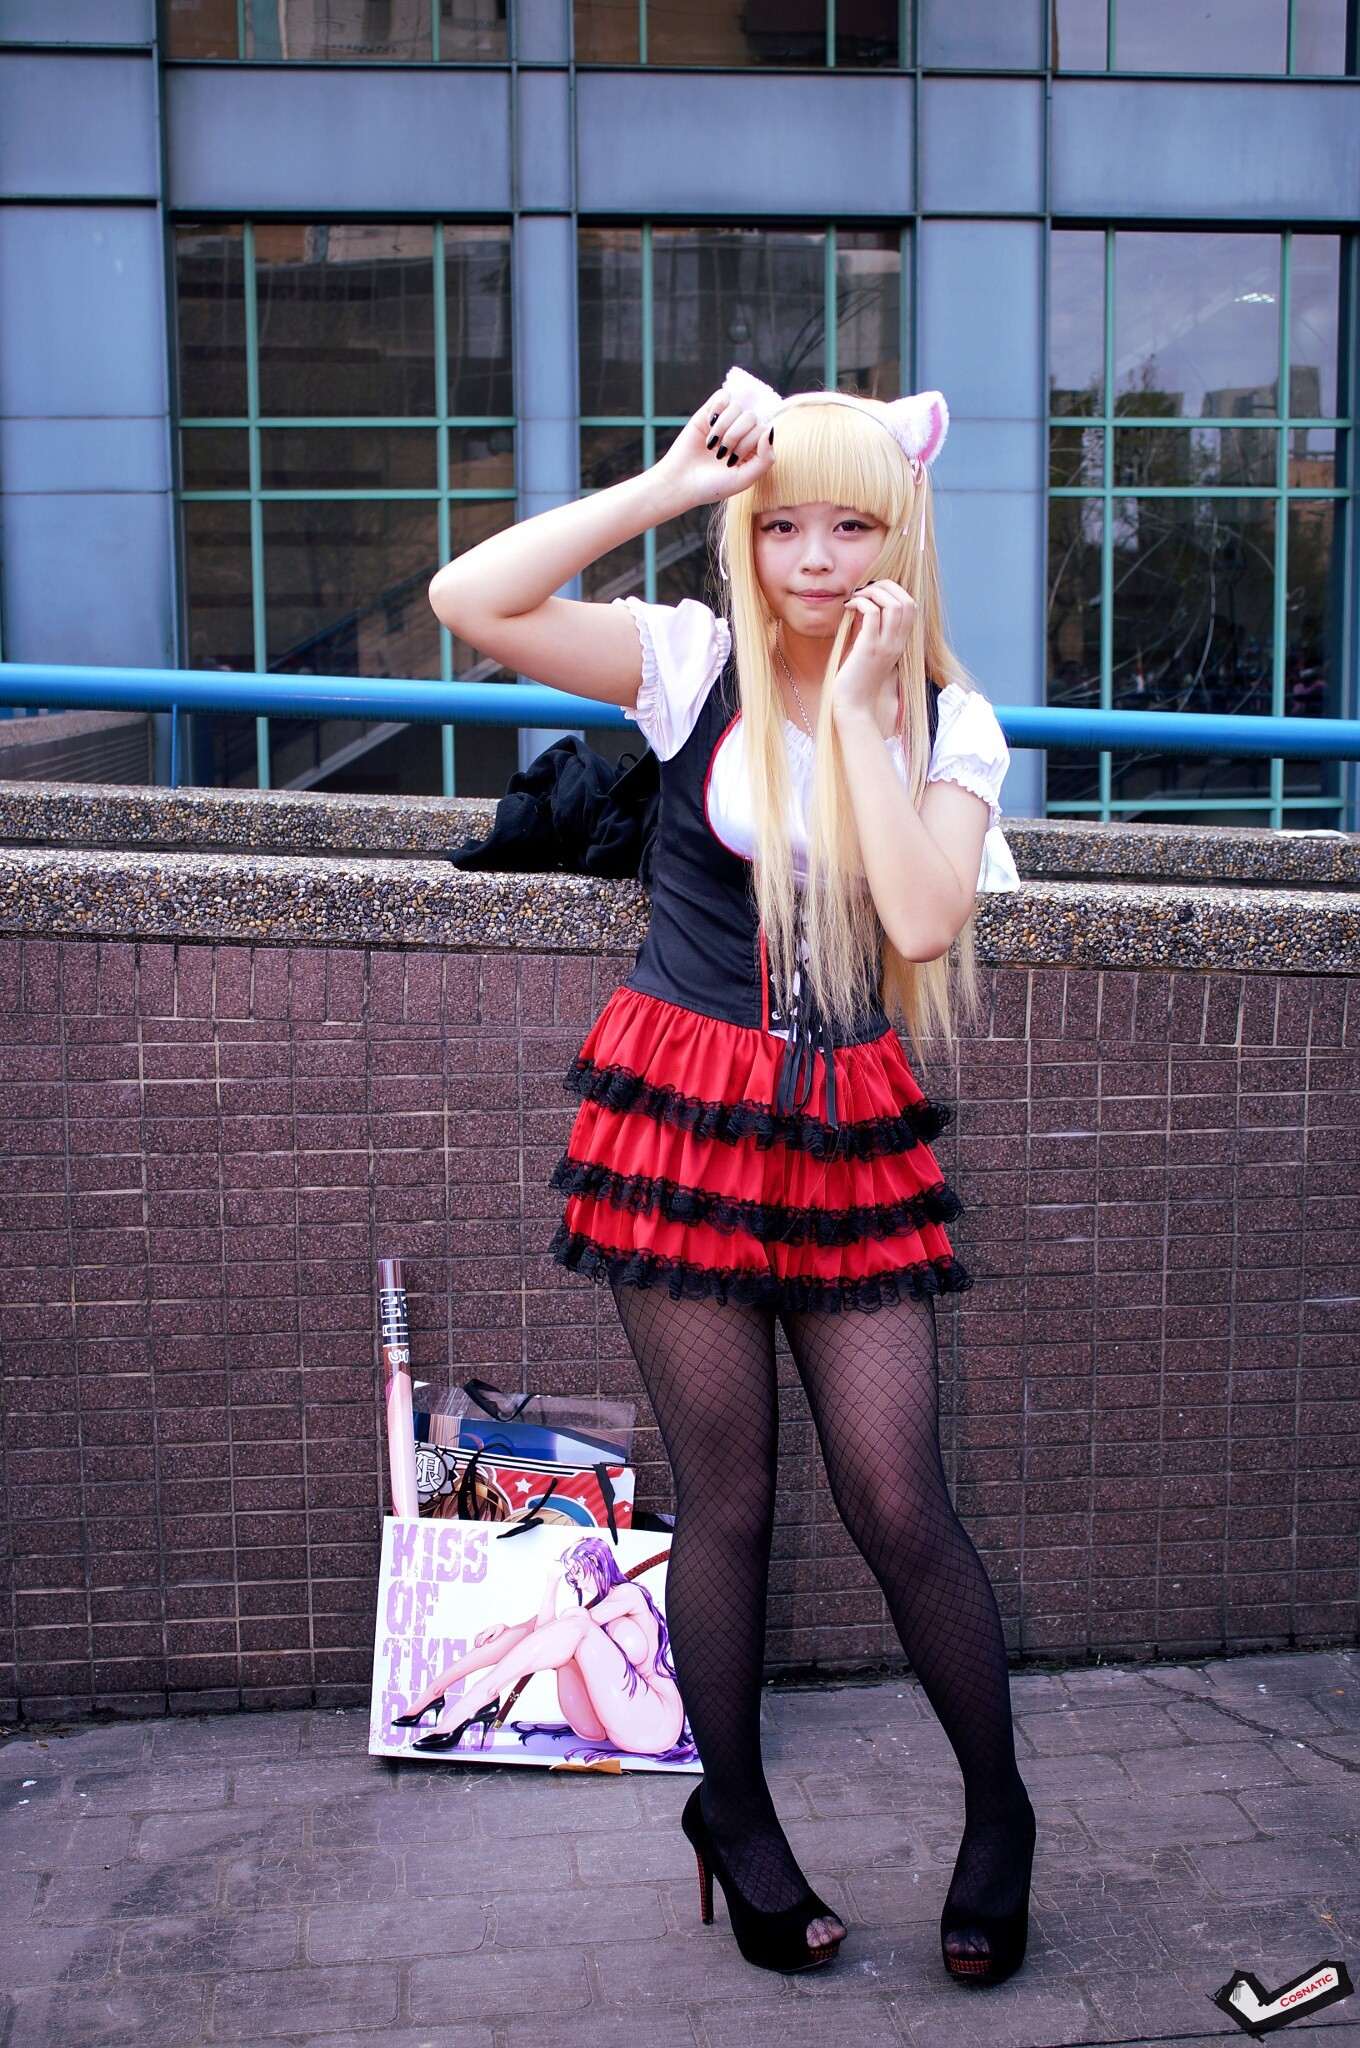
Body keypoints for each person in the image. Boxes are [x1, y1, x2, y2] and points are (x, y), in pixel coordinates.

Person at [427, 370, 1036, 1984]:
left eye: (851, 527)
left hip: (844, 1131)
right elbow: (471, 599)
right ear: (746, 537)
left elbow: (921, 922)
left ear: (901, 532)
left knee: (899, 1497)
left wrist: (862, 710)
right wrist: (669, 485)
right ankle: (739, 1818)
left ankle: (1002, 1817)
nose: (815, 560)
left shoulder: (951, 721)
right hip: (682, 1122)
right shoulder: (691, 665)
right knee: (735, 1498)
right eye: (782, 528)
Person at [391, 1536, 685, 1759]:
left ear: (597, 1565)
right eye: (569, 1575)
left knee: (573, 1621)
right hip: (604, 1724)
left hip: (654, 1721)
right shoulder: (595, 1607)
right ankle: (437, 1690)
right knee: (540, 1626)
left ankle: (476, 1700)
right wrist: (550, 1584)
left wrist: (548, 1624)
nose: (574, 1581)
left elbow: (566, 1628)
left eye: (576, 1573)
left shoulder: (629, 1595)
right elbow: (547, 1632)